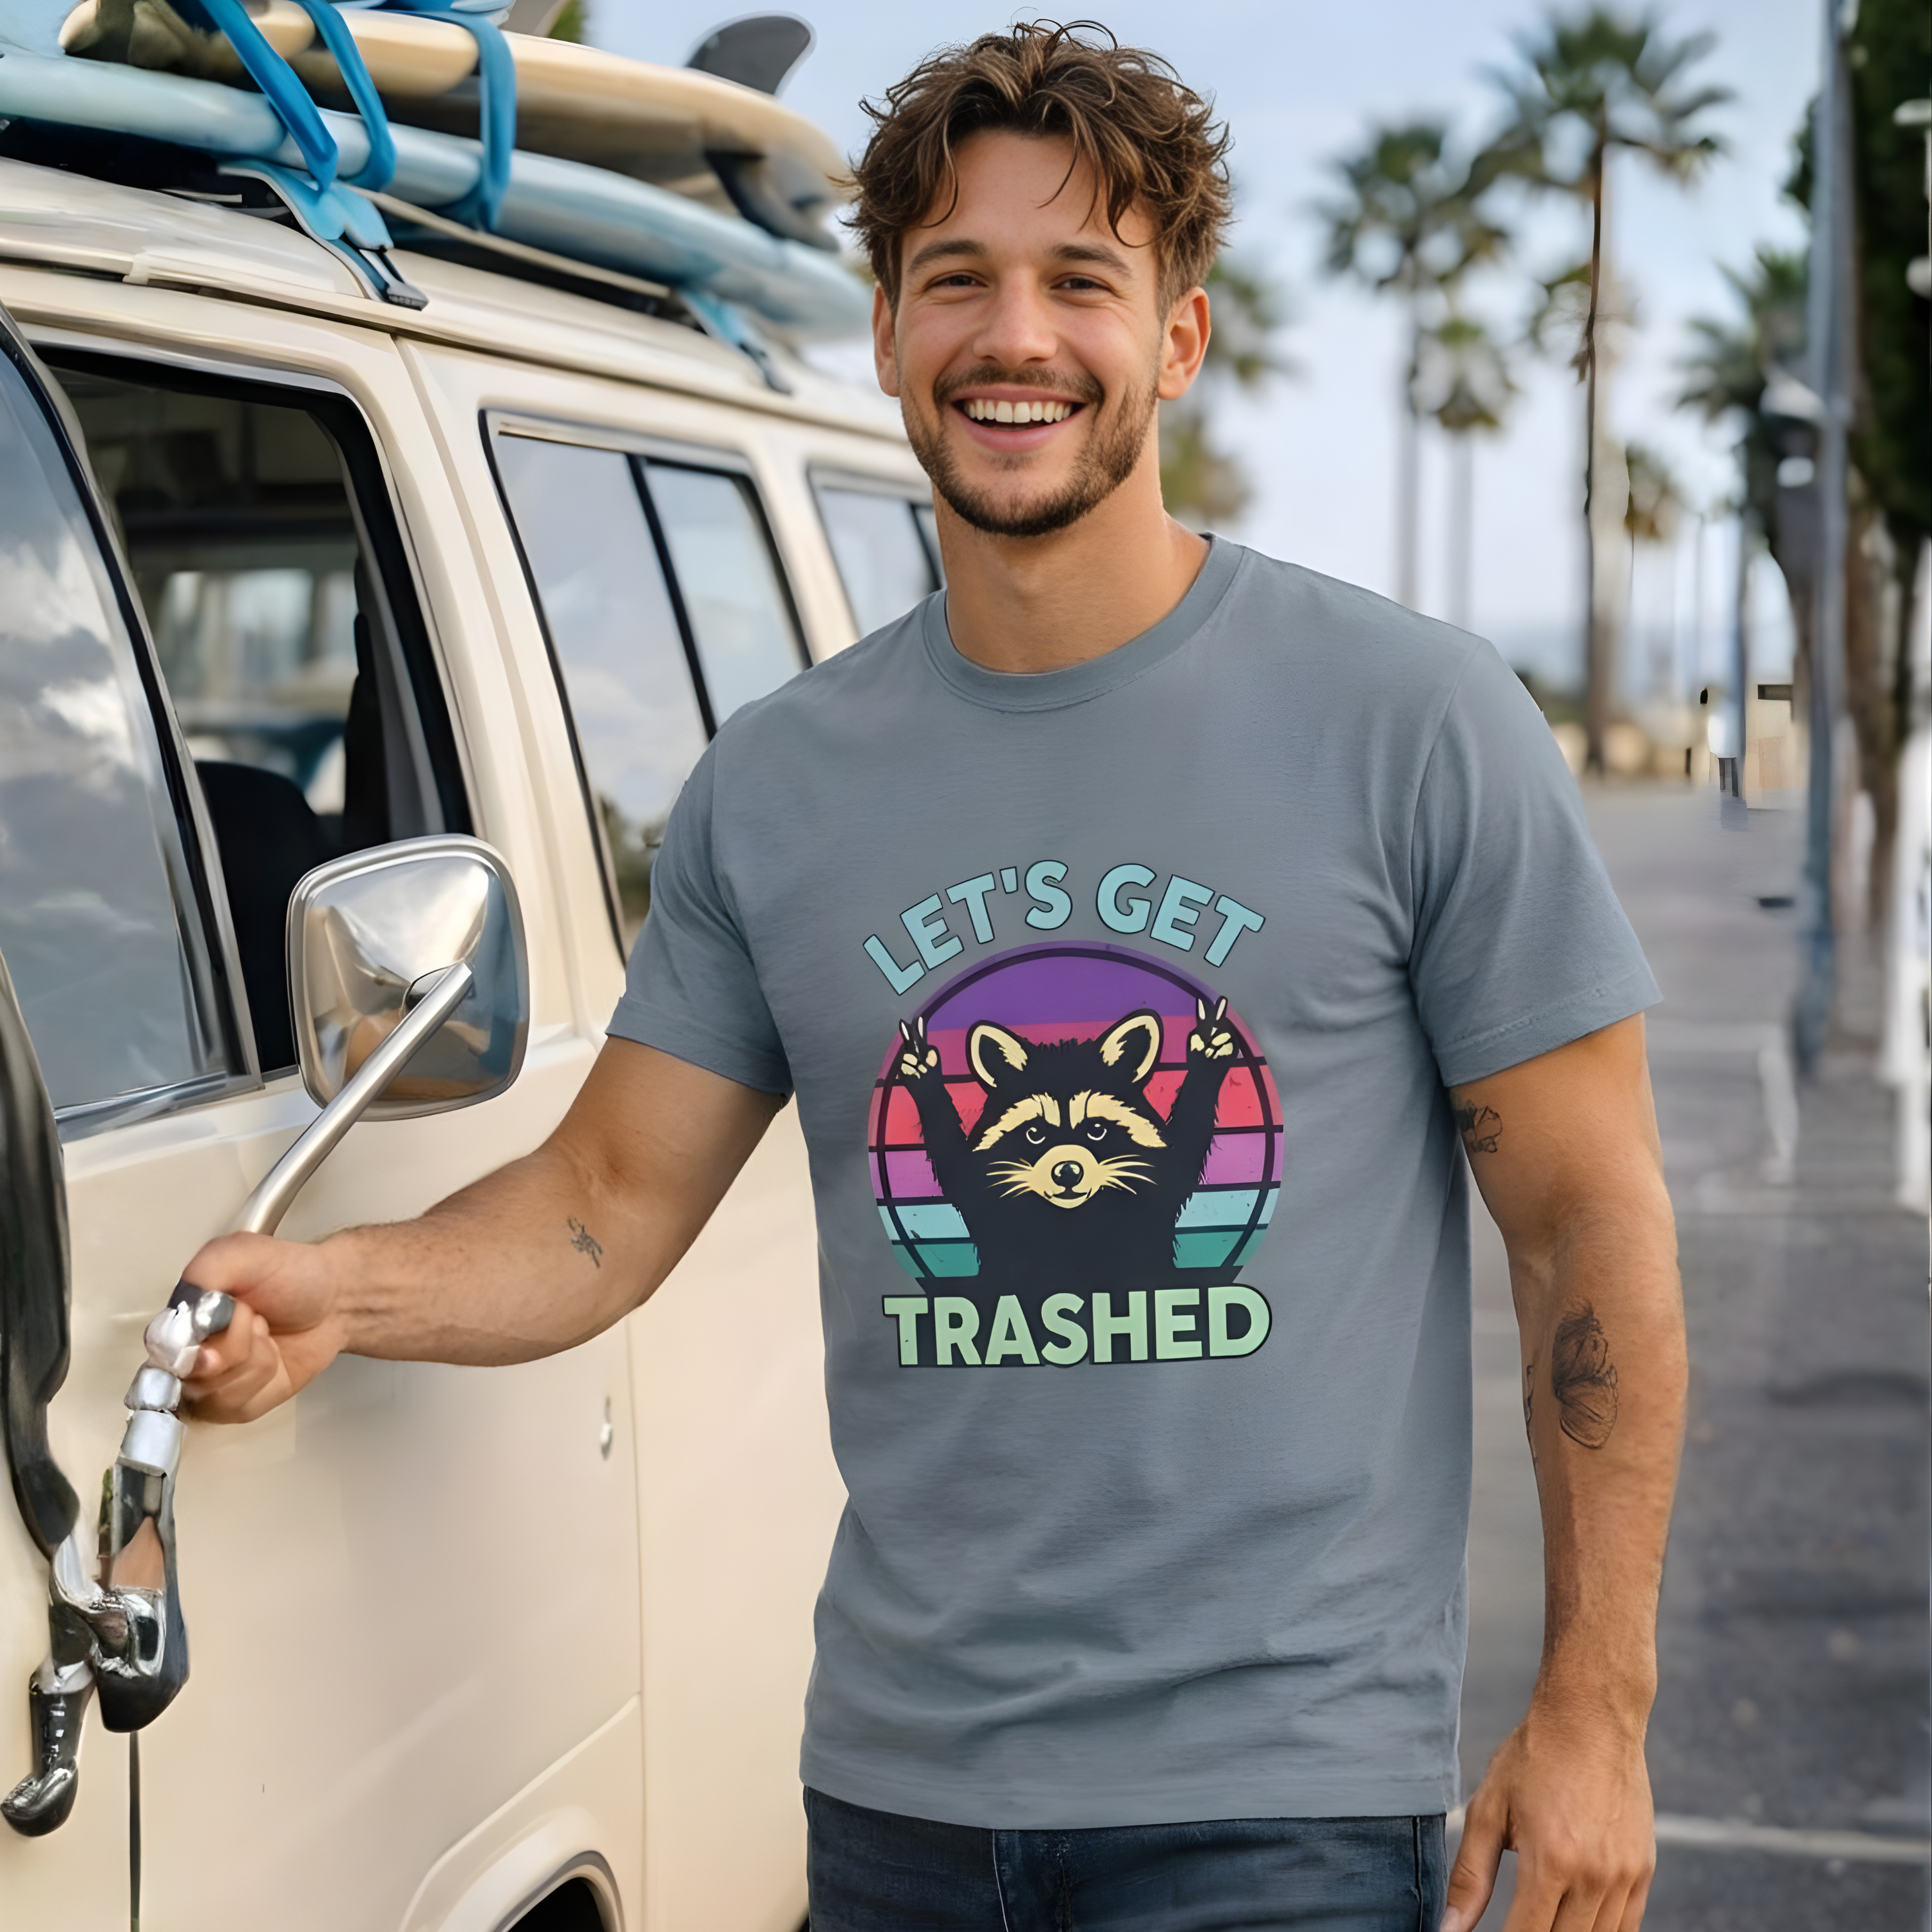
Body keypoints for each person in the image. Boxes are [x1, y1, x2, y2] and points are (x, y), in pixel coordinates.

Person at [183, 23, 1685, 1932]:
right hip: (897, 1805)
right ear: (886, 333)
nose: (1018, 336)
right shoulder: (780, 787)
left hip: (1277, 1808)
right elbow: (602, 1204)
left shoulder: (1415, 724)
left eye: (1084, 281)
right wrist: (337, 1292)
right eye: (957, 279)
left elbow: (1585, 1225)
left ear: (1182, 338)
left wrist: (1598, 1710)